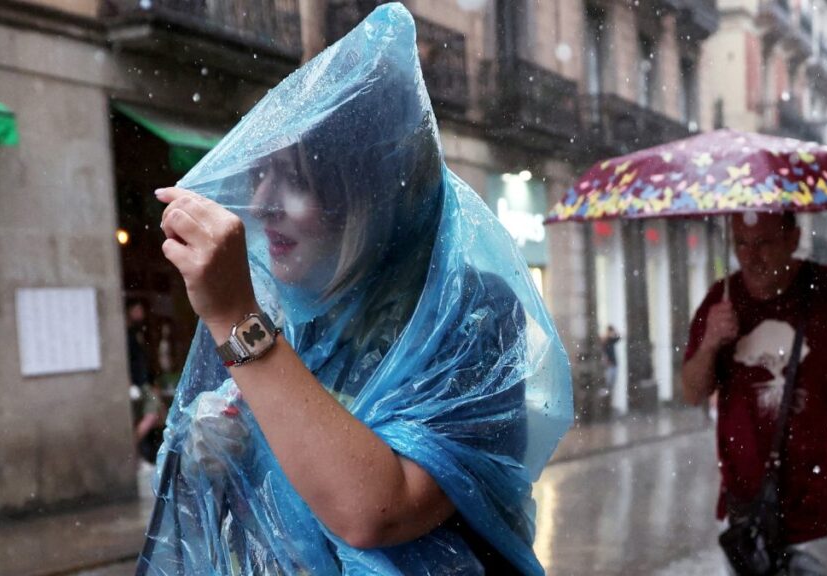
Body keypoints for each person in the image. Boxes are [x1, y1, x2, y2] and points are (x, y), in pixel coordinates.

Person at [138, 5, 572, 575]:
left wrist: (236, 320)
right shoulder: (292, 312)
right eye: (259, 174)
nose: (262, 203)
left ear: (372, 197)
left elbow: (379, 510)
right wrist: (221, 451)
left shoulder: (471, 317)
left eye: (296, 179)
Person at [682, 212, 827, 575]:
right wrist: (710, 342)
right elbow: (693, 391)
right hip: (746, 515)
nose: (751, 257)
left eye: (764, 243)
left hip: (823, 515)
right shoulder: (721, 300)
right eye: (741, 243)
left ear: (793, 239)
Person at [602, 325, 621, 392]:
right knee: (608, 381)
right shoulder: (606, 341)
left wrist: (615, 332)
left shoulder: (611, 340)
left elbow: (618, 337)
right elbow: (604, 353)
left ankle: (609, 392)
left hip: (614, 363)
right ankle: (607, 391)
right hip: (609, 364)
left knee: (613, 381)